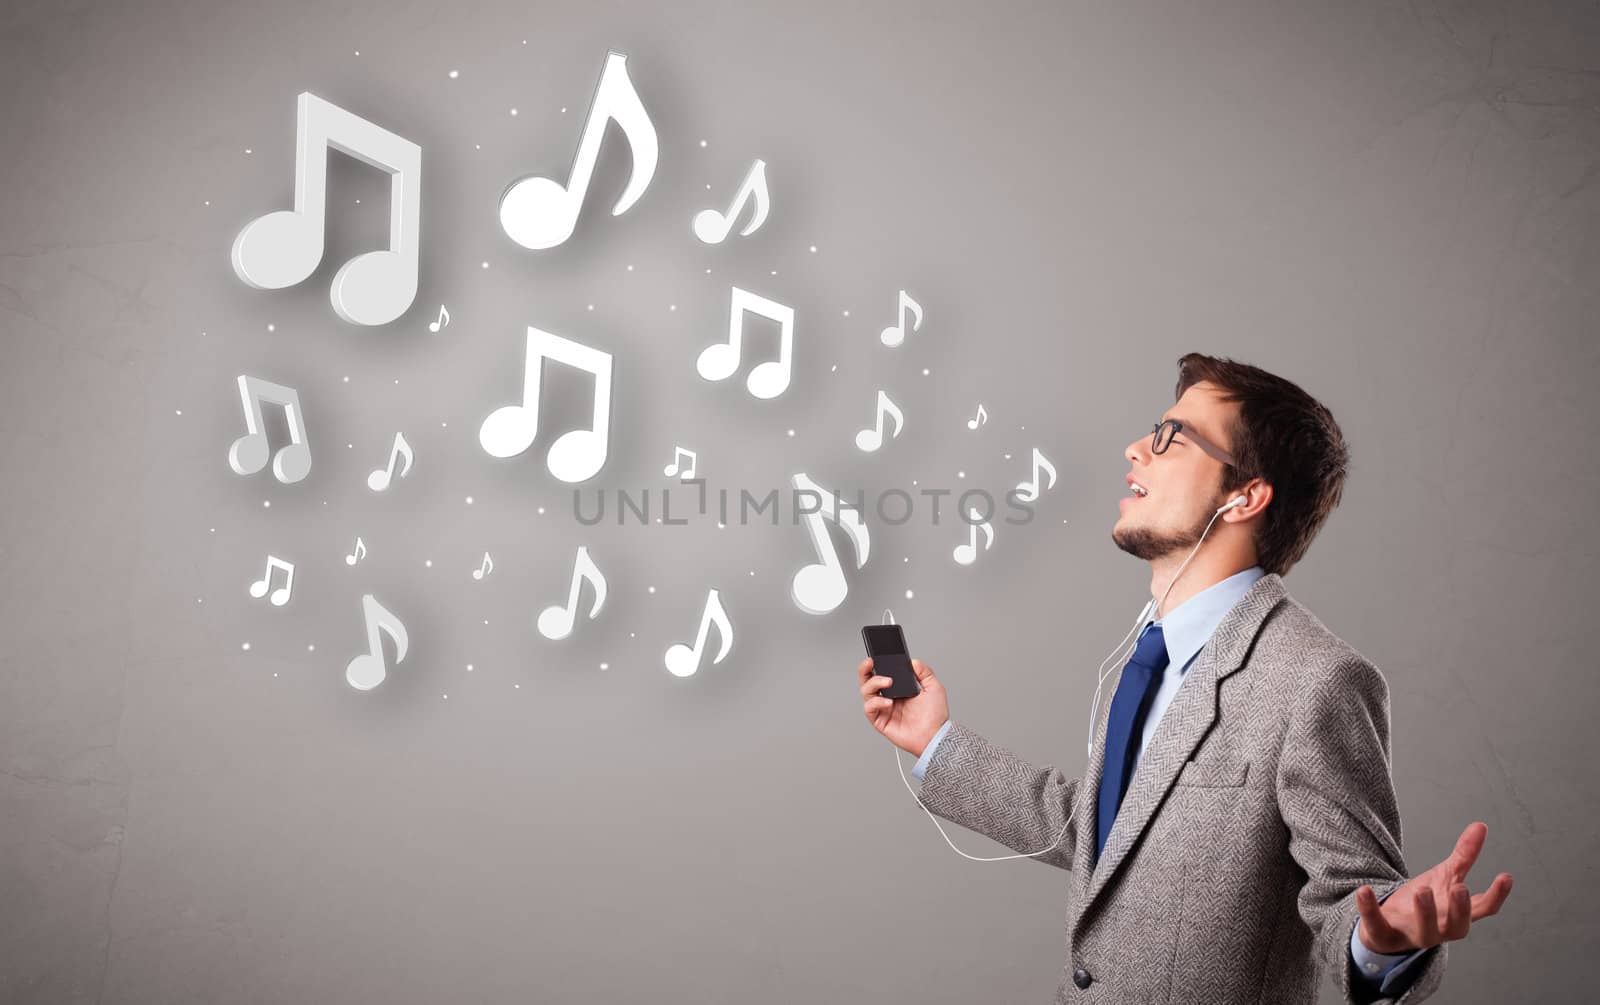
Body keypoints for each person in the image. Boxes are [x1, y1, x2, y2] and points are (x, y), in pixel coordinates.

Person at [857, 353, 1512, 1004]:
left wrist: (1383, 944)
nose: (1137, 447)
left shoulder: (1318, 680)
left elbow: (1358, 899)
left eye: (1172, 437)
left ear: (1245, 496)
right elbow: (1105, 837)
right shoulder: (1152, 654)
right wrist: (934, 738)